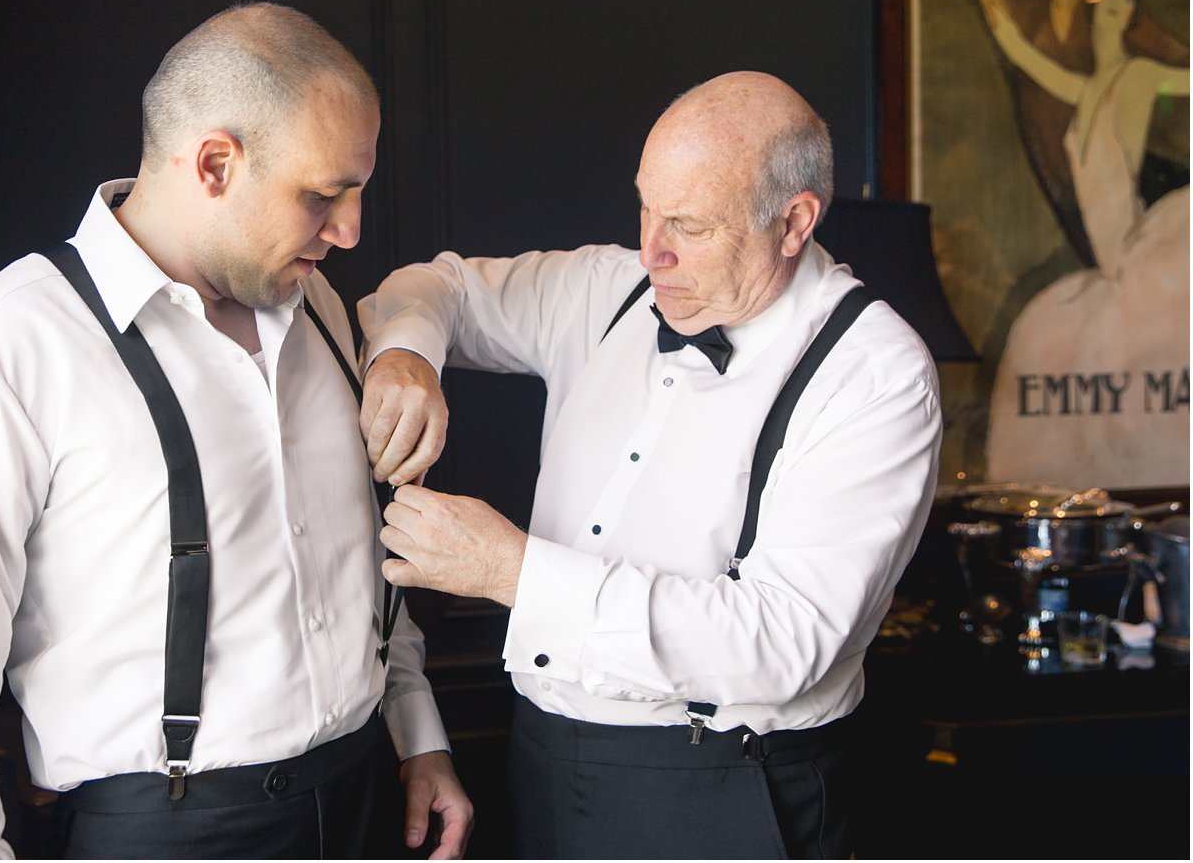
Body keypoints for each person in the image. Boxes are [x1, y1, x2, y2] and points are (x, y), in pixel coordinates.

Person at [0, 3, 472, 859]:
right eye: (323, 195)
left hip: (368, 802)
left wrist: (419, 739)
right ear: (214, 163)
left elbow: (355, 578)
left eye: (356, 191)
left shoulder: (322, 312)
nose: (350, 230)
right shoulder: (8, 341)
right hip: (164, 833)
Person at [356, 72, 942, 858]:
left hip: (725, 794)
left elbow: (784, 641)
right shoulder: (611, 289)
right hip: (542, 767)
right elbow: (439, 288)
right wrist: (405, 357)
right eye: (645, 206)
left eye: (690, 225)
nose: (651, 249)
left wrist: (513, 573)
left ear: (794, 221)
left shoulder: (874, 373)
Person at [983, 0, 1190, 484]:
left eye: (1126, 0)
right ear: (1094, 6)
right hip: (1113, 256)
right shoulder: (1087, 87)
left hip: (1140, 248)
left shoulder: (1139, 76)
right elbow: (1018, 49)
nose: (1116, 7)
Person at [923, 0, 1189, 269]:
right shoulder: (1075, 78)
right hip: (1090, 226)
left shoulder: (1132, 60)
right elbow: (1021, 53)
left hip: (1132, 235)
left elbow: (1178, 66)